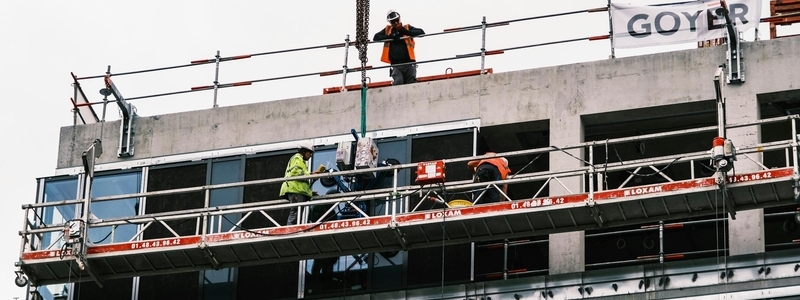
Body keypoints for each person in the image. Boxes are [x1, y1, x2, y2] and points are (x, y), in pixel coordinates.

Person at [373, 9, 425, 85]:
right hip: (396, 65)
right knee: (398, 82)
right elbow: (376, 37)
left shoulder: (407, 27)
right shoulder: (388, 30)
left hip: (409, 63)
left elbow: (421, 32)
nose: (396, 23)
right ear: (390, 22)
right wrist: (389, 37)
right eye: (393, 22)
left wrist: (406, 32)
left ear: (399, 19)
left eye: (397, 20)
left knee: (411, 83)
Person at [280, 142, 322, 226]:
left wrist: (309, 192)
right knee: (296, 212)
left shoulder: (300, 160)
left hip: (297, 190)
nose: (310, 156)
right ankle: (291, 230)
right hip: (295, 190)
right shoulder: (297, 158)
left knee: (298, 213)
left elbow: (301, 179)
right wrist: (311, 175)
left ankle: (294, 228)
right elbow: (296, 172)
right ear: (304, 151)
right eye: (310, 153)